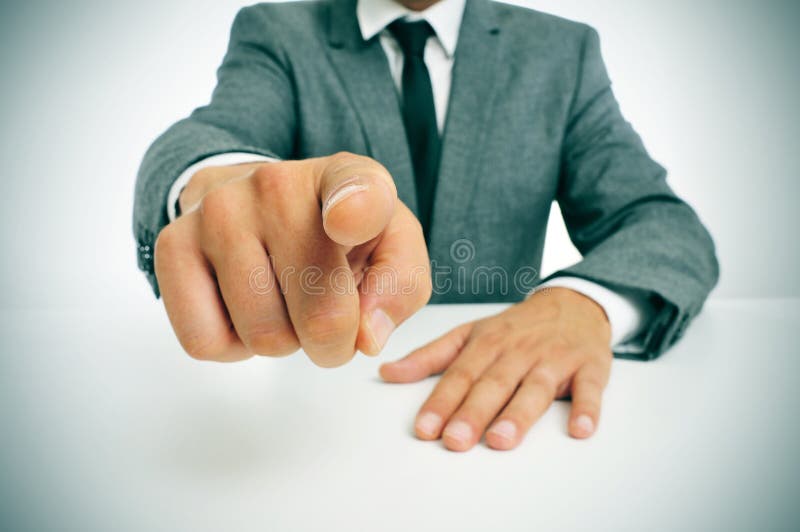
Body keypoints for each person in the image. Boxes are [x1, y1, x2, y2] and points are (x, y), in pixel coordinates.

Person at [133, 0, 719, 451]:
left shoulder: (560, 52)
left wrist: (580, 304)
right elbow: (211, 135)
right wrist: (221, 186)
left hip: (520, 433)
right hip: (323, 423)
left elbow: (660, 224)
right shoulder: (279, 32)